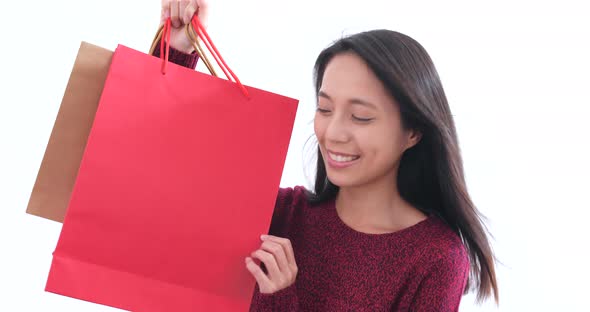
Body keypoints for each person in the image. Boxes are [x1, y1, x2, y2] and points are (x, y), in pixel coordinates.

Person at [155, 0, 499, 311]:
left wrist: (281, 302)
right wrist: (178, 49)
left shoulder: (436, 259)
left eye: (360, 117)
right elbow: (165, 176)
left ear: (413, 132)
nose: (333, 132)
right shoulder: (283, 215)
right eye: (324, 108)